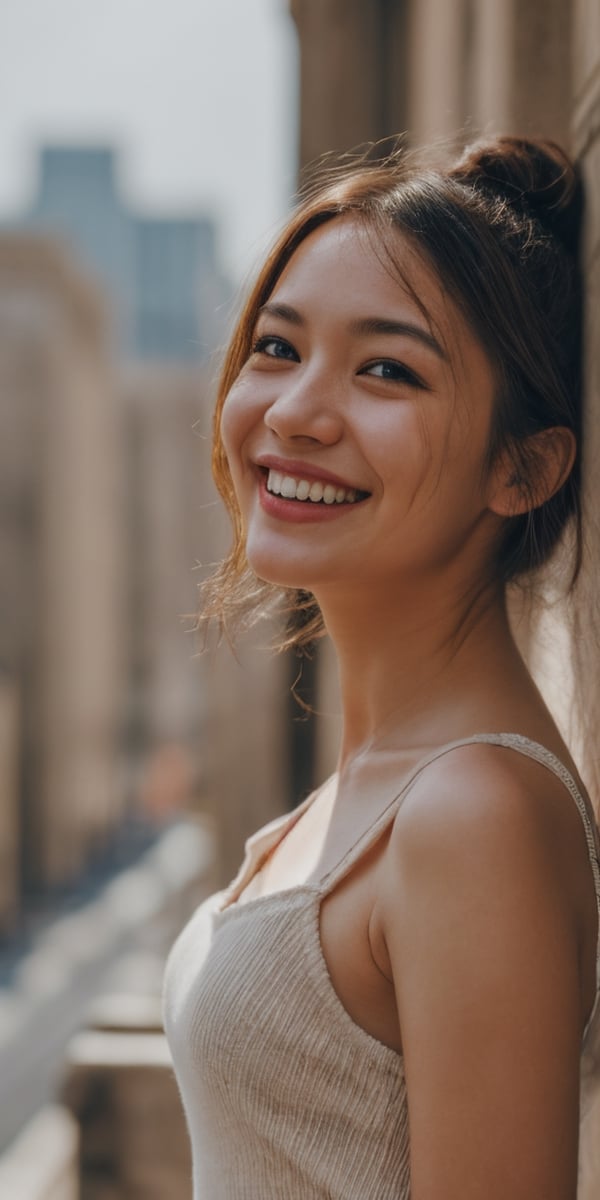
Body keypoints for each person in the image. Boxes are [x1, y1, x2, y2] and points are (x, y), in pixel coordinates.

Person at [163, 134, 600, 1199]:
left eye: (387, 370)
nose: (295, 412)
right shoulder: (379, 789)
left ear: (523, 467)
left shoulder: (472, 812)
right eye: (277, 347)